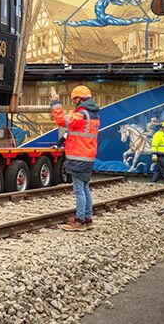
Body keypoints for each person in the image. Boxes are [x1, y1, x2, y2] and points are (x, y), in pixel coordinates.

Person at [50, 85, 100, 231]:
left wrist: (55, 102)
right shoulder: (94, 115)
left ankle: (80, 222)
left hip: (78, 157)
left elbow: (61, 120)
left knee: (79, 191)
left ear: (80, 99)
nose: (73, 102)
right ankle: (88, 219)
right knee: (85, 188)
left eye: (74, 99)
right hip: (87, 157)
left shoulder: (82, 115)